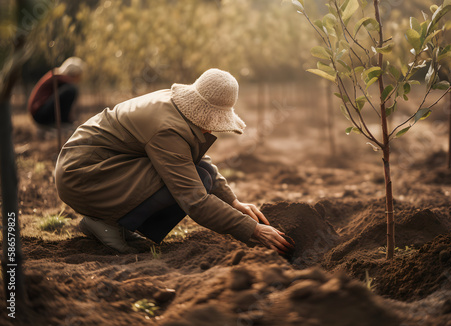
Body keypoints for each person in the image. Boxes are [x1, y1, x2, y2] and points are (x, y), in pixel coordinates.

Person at [55, 68, 294, 254]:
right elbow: (195, 201)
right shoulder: (167, 130)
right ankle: (105, 221)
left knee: (201, 174)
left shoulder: (177, 107)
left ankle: (116, 223)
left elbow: (195, 159)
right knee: (197, 181)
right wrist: (254, 230)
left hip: (104, 167)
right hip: (84, 175)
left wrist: (234, 202)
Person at [28, 57, 84, 125]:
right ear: (74, 73)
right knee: (71, 90)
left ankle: (63, 120)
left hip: (39, 113)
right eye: (78, 75)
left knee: (70, 90)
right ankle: (64, 121)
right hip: (39, 114)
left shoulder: (58, 76)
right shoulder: (59, 77)